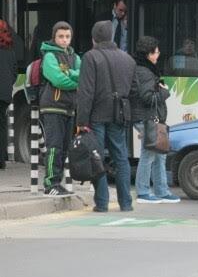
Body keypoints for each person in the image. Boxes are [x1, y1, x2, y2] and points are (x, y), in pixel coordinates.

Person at [77, 20, 136, 212]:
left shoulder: (90, 57)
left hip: (96, 115)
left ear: (94, 38)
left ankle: (102, 203)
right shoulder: (128, 59)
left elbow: (86, 92)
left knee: (97, 157)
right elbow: (133, 90)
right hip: (119, 115)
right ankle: (126, 203)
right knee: (121, 157)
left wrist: (81, 121)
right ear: (112, 36)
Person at [130, 36, 180, 204]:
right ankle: (143, 192)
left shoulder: (145, 69)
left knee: (159, 153)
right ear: (147, 54)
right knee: (150, 153)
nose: (158, 54)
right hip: (146, 117)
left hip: (151, 117)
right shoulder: (144, 72)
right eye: (155, 51)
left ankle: (161, 191)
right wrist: (164, 92)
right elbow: (147, 97)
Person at [39, 22, 81, 195]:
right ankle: (50, 184)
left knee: (64, 148)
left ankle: (58, 182)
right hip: (53, 107)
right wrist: (75, 82)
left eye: (67, 37)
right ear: (54, 37)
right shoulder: (49, 56)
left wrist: (69, 74)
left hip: (70, 108)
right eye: (61, 37)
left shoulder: (75, 57)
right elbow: (57, 80)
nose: (64, 40)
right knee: (54, 147)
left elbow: (83, 75)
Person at [0, 19, 17, 170]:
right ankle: (1, 161)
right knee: (2, 126)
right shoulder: (10, 52)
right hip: (5, 95)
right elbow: (14, 75)